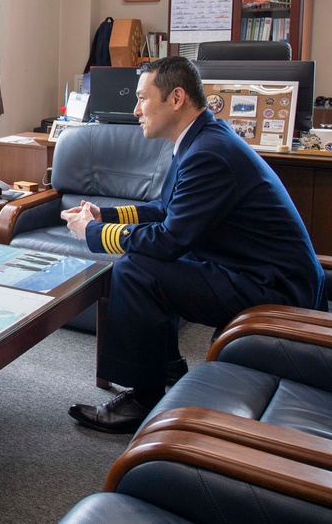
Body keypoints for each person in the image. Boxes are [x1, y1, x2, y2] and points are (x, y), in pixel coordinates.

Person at [63, 56, 326, 434]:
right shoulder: (201, 139)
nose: (135, 109)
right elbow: (167, 209)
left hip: (276, 289)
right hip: (260, 273)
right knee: (142, 263)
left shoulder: (207, 153)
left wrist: (92, 233)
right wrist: (105, 215)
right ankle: (166, 366)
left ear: (176, 98)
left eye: (142, 98)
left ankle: (142, 398)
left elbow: (170, 239)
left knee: (136, 269)